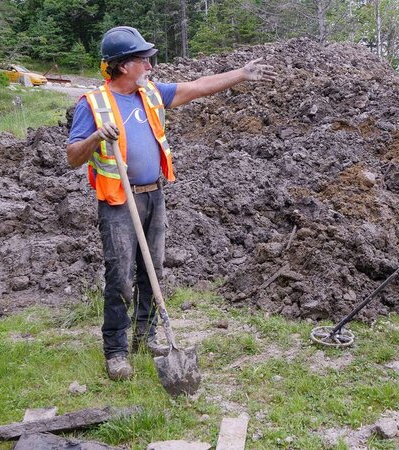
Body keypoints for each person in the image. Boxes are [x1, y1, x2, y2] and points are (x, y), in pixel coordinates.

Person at [66, 26, 275, 381]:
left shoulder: (150, 94)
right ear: (122, 65)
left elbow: (196, 87)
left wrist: (241, 74)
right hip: (119, 200)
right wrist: (97, 136)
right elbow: (72, 156)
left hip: (154, 194)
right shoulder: (94, 105)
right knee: (119, 275)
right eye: (142, 59)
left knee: (153, 271)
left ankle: (145, 337)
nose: (150, 65)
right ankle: (116, 351)